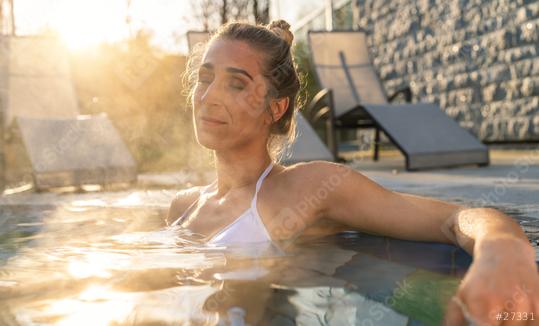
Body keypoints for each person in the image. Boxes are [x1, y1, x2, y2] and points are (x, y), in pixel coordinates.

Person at [167, 20, 539, 325]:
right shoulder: (182, 207)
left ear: (276, 107)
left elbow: (455, 219)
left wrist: (503, 251)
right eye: (204, 77)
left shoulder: (304, 188)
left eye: (236, 83)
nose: (209, 95)